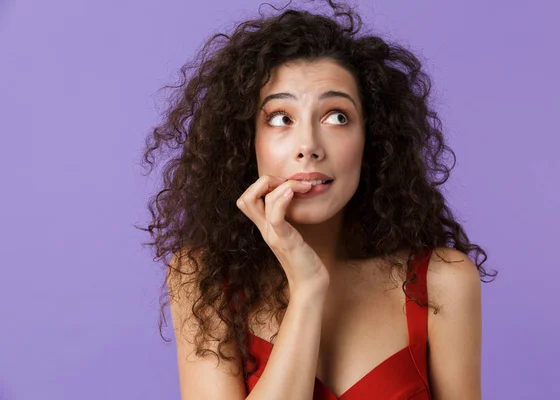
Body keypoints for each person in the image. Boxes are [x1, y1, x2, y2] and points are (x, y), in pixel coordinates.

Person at [138, 1, 497, 399]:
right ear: (246, 141)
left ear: (372, 139)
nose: (308, 146)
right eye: (280, 118)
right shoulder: (202, 277)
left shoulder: (441, 281)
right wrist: (307, 287)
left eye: (337, 117)